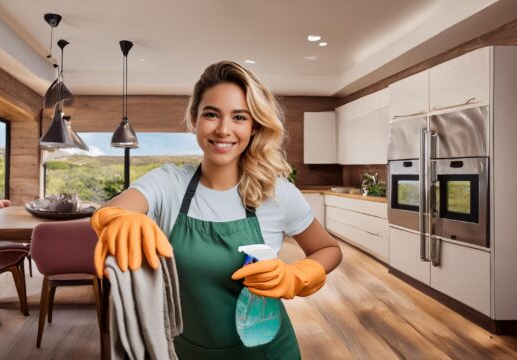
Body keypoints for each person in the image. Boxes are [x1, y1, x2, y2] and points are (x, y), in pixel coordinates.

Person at [91, 60, 342, 359]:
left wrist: (297, 275)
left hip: (268, 351)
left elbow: (328, 249)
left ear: (254, 126)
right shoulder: (171, 183)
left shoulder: (276, 192)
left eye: (239, 117)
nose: (224, 130)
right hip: (187, 352)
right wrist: (117, 219)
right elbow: (110, 210)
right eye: (212, 114)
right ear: (195, 119)